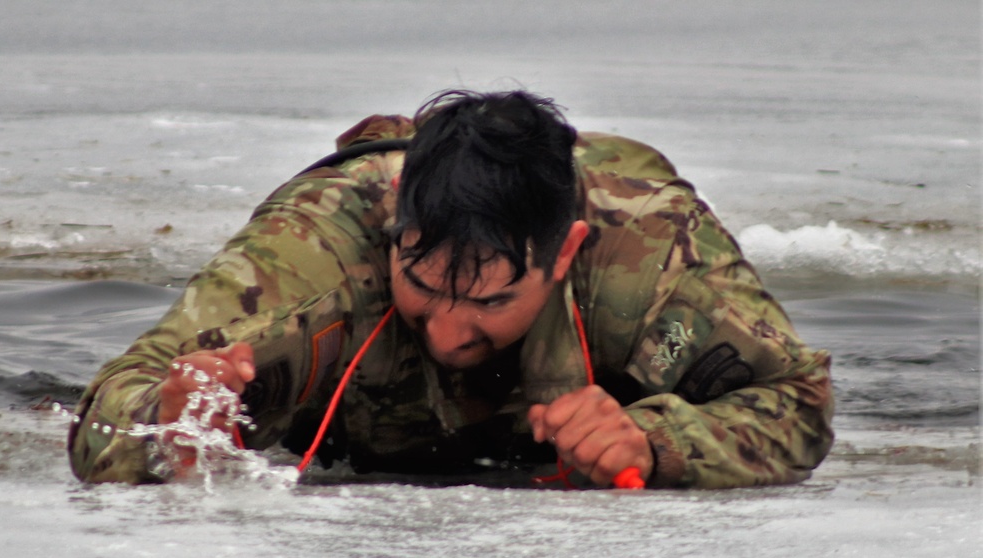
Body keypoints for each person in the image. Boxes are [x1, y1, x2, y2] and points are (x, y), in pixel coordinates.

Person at [68, 89, 834, 488]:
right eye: (426, 289)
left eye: (492, 302)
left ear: (565, 251)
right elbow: (111, 404)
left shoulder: (651, 248)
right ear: (396, 225)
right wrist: (168, 424)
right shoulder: (312, 253)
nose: (446, 333)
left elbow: (799, 401)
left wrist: (661, 443)